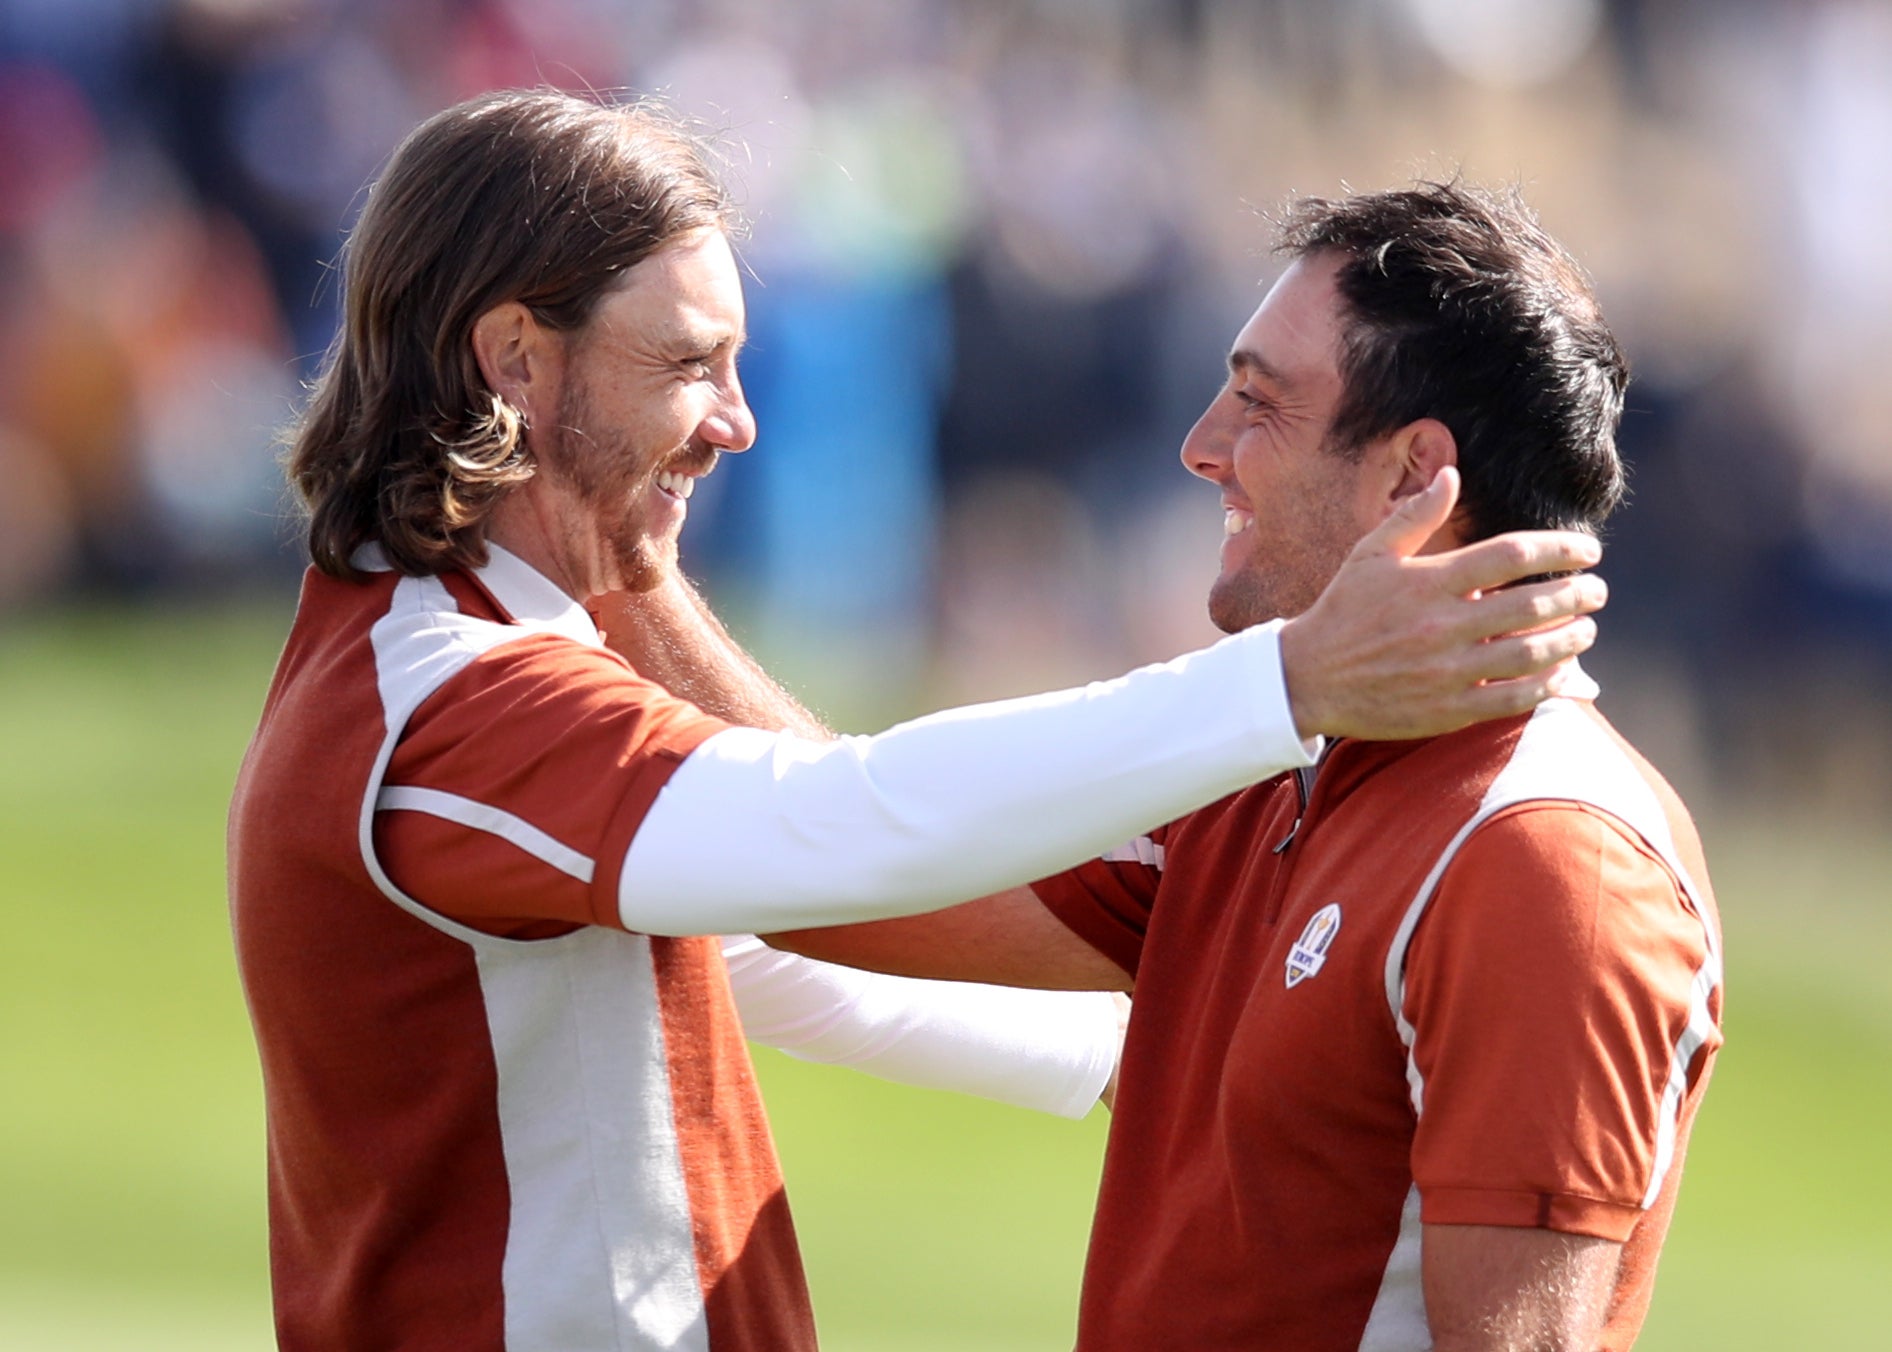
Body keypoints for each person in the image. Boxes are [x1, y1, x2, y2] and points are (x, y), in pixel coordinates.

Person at [226, 91, 1607, 1352]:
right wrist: (1291, 683)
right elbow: (836, 831)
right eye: (691, 362)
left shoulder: (451, 657)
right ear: (516, 362)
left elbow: (769, 957)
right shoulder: (456, 704)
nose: (737, 423)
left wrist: (1190, 1065)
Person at [774, 181, 1722, 1351]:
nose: (1201, 447)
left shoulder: (1548, 857)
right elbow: (833, 877)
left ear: (1409, 478)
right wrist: (622, 568)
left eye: (1258, 404)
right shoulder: (1273, 763)